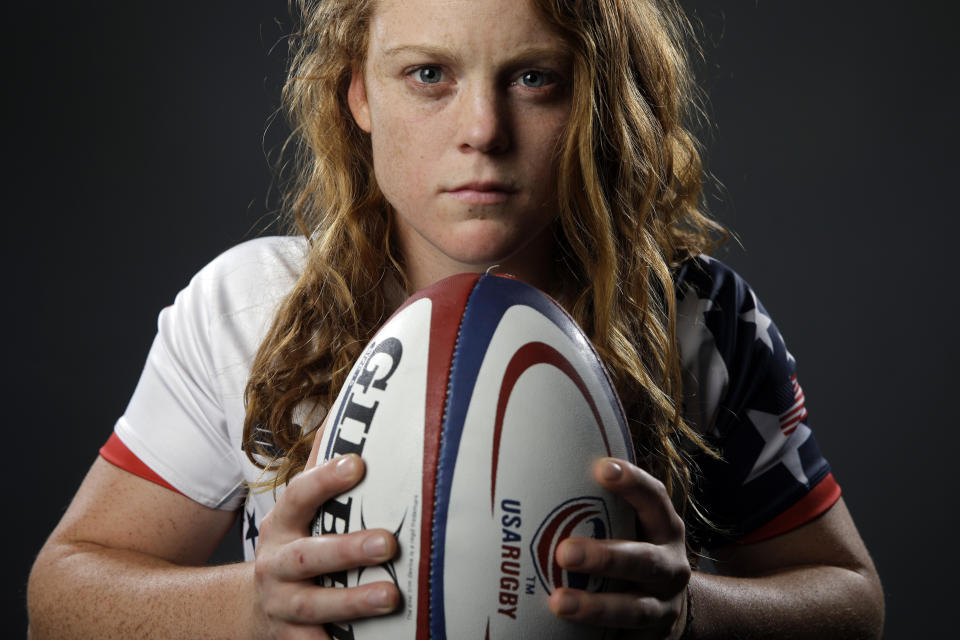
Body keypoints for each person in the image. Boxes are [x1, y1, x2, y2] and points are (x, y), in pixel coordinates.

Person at [27, 0, 884, 637]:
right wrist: (245, 607)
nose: (483, 130)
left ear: (594, 93)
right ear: (358, 92)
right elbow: (57, 596)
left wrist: (694, 612)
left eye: (534, 77)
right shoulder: (249, 307)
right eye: (428, 74)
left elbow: (852, 601)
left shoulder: (698, 316)